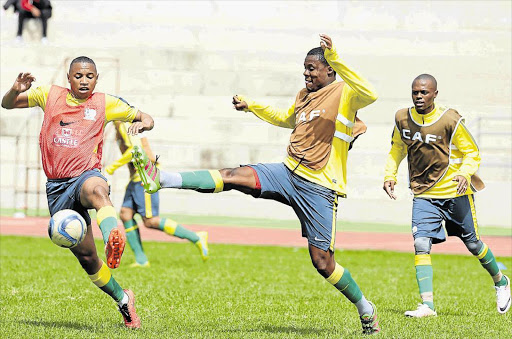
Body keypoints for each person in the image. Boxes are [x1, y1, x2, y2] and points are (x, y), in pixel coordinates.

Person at [131, 34, 381, 335]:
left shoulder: (345, 93)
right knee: (233, 175)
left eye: (313, 68)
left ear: (329, 70)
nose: (307, 73)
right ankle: (163, 179)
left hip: (320, 188)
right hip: (287, 173)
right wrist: (253, 105)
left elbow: (371, 93)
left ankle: (365, 306)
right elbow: (286, 118)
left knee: (323, 263)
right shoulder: (304, 95)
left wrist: (337, 56)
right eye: (304, 68)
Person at [1, 56, 155, 328]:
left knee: (97, 189)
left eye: (90, 76)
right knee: (87, 258)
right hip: (57, 187)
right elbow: (8, 104)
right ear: (69, 78)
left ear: (96, 79)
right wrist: (16, 89)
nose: (84, 81)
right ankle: (123, 299)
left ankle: (112, 238)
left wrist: (142, 124)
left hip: (85, 175)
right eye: (79, 76)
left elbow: (146, 117)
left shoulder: (105, 103)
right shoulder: (49, 95)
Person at [382, 74, 511, 317]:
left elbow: (472, 153)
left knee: (473, 244)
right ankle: (427, 306)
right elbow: (397, 148)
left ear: (435, 94)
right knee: (421, 244)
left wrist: (464, 173)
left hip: (455, 193)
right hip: (423, 194)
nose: (419, 97)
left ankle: (501, 281)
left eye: (424, 92)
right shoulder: (402, 118)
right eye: (415, 92)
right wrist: (390, 175)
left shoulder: (450, 119)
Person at [105, 121, 209, 266]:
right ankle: (141, 260)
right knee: (125, 214)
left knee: (151, 221)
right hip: (135, 179)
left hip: (145, 178)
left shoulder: (124, 125)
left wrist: (111, 167)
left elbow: (135, 149)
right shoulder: (119, 128)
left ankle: (196, 237)